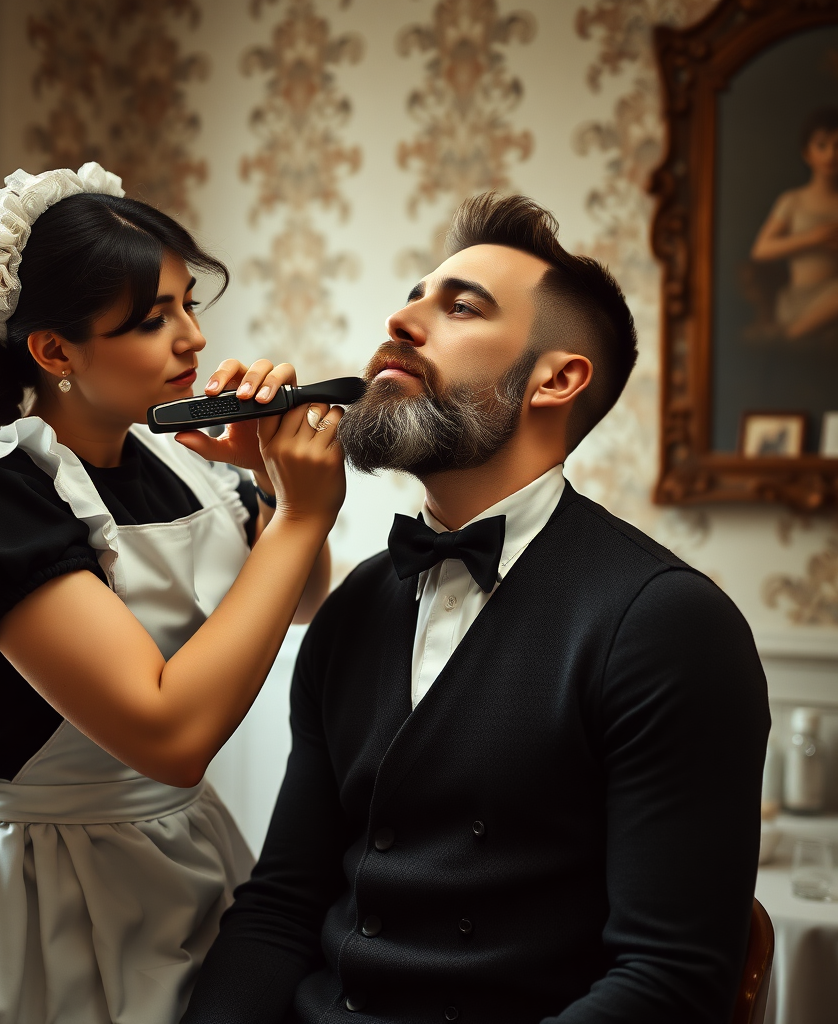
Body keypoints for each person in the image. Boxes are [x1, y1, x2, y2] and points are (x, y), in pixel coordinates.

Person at [183, 193, 771, 1024]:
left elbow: (665, 981)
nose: (401, 318)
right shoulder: (355, 606)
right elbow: (281, 908)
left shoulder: (669, 628)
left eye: (459, 306)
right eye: (413, 296)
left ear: (556, 378)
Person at [0, 163, 347, 1024]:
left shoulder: (180, 457)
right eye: (150, 319)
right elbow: (167, 734)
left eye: (187, 305)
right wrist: (299, 521)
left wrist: (280, 492)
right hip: (39, 886)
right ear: (55, 351)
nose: (192, 341)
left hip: (188, 847)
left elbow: (295, 602)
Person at [751, 106, 838, 340]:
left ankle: (792, 334)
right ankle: (791, 332)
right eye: (822, 146)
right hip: (801, 299)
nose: (831, 154)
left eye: (837, 146)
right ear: (807, 153)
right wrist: (813, 238)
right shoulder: (793, 201)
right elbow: (761, 250)